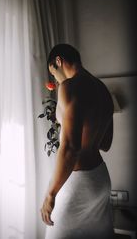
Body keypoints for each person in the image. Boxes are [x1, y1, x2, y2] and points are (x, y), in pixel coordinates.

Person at [40, 44, 114, 239]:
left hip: (78, 183)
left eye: (53, 74)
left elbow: (71, 147)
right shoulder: (102, 89)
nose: (55, 81)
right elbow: (106, 143)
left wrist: (51, 194)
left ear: (58, 61)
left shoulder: (69, 87)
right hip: (100, 180)